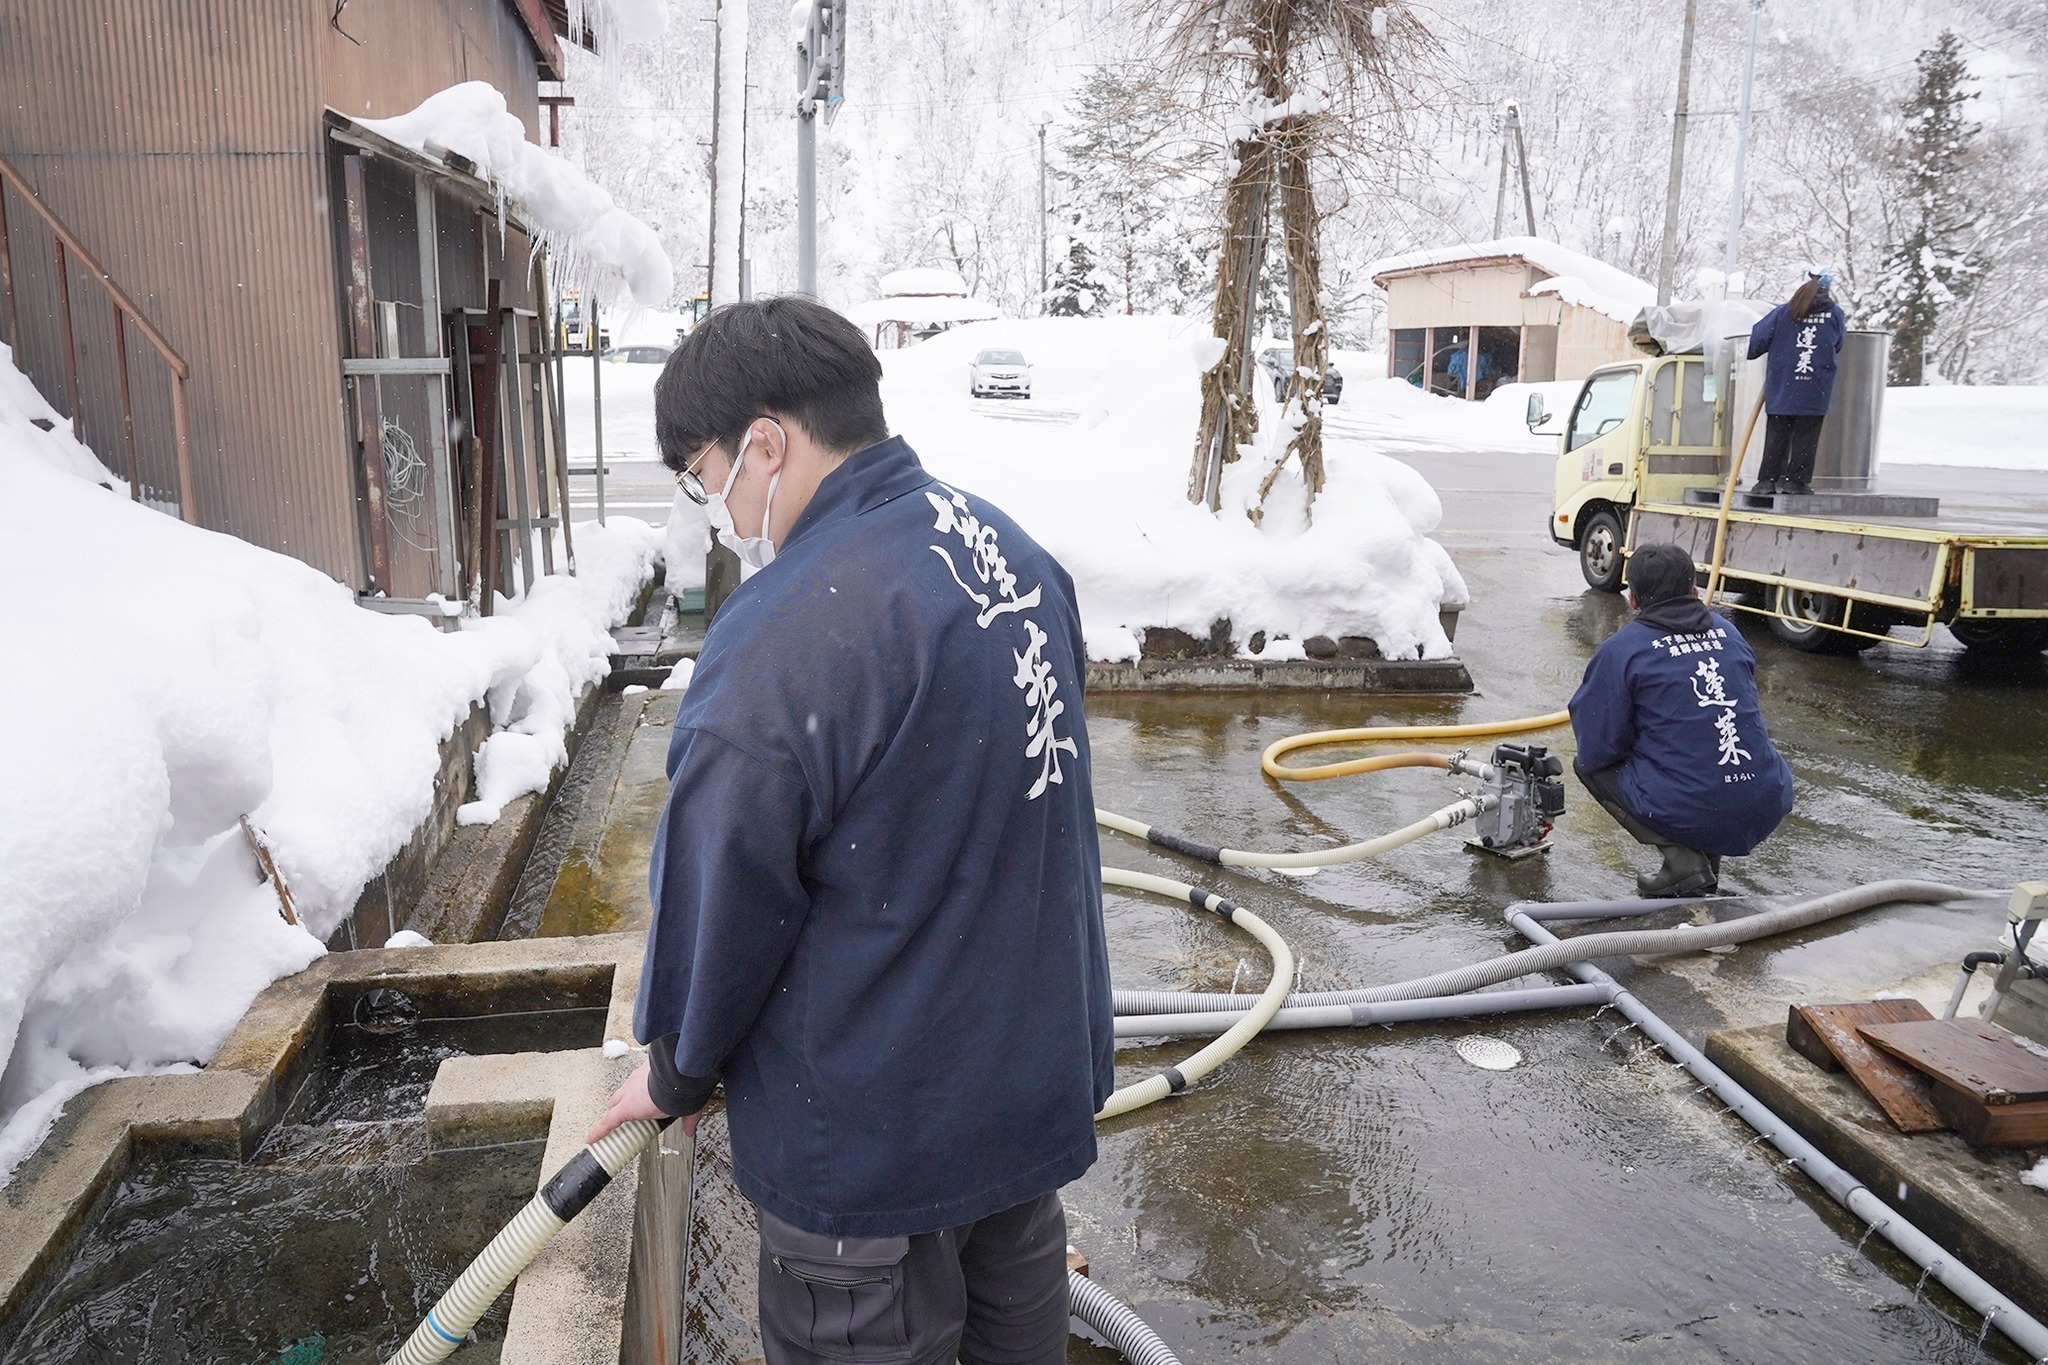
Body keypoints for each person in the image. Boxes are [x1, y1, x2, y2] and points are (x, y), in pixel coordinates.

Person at [584, 296, 1115, 1365]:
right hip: (1020, 1104)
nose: (718, 510)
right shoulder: (1006, 550)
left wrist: (677, 1072)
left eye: (705, 473)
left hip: (875, 1144)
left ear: (766, 444)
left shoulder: (786, 632)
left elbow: (723, 887)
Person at [1568, 542, 1794, 897]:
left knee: (1590, 764)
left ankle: (1682, 858)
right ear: (1695, 591)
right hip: (1766, 797)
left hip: (1697, 806)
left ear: (1633, 600)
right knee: (1708, 742)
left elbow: (1598, 746)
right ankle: (1704, 867)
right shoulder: (1729, 633)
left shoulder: (1624, 650)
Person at [1747, 268, 1848, 495]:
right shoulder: (1835, 314)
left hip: (1783, 383)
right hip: (1815, 385)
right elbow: (1839, 343)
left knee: (1778, 433)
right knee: (1806, 434)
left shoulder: (1783, 312)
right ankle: (1795, 482)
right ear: (1828, 289)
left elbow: (1758, 338)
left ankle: (1767, 481)